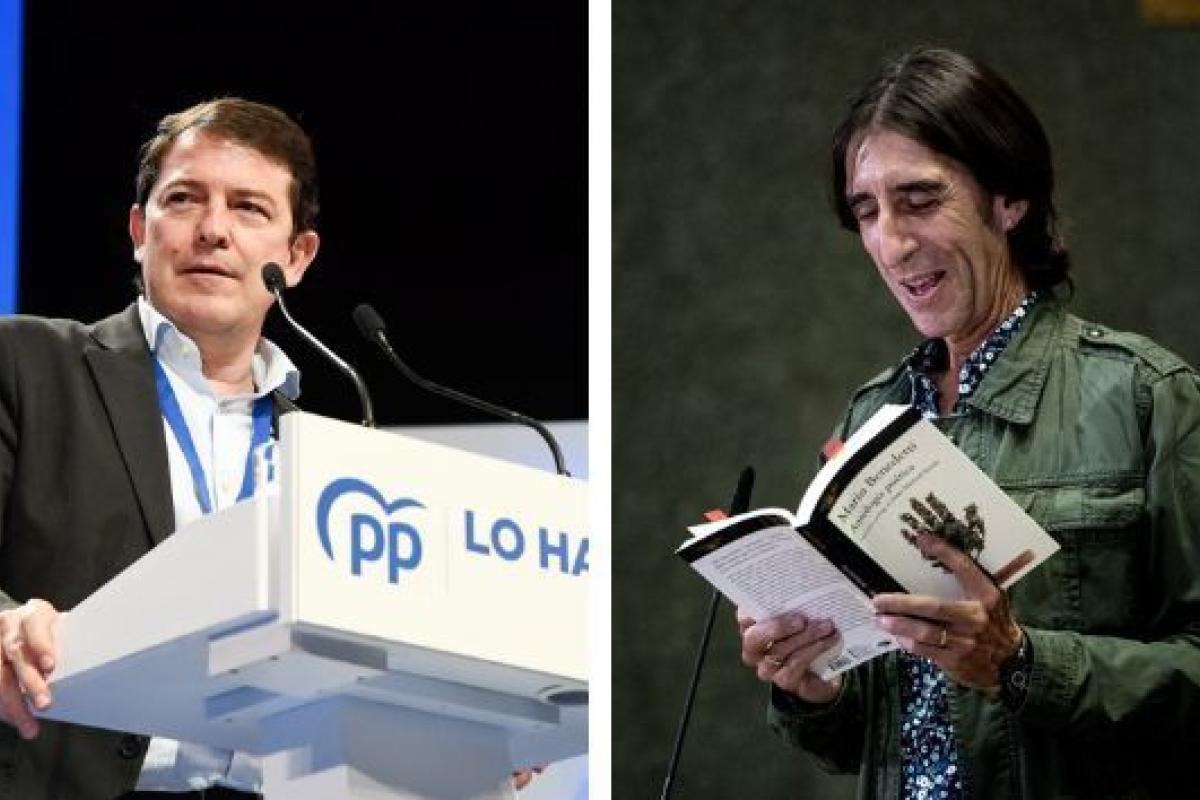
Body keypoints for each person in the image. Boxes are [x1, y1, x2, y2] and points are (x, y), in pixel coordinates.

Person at [736, 47, 1200, 798]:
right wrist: (813, 686)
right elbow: (865, 737)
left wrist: (1020, 663)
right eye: (866, 212)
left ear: (1009, 200)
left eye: (919, 200)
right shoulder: (871, 415)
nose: (891, 244)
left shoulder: (1146, 395)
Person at [0, 98, 318, 799]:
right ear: (140, 231)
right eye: (184, 199)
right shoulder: (23, 364)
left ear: (296, 257)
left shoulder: (331, 460)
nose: (213, 230)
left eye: (249, 208)